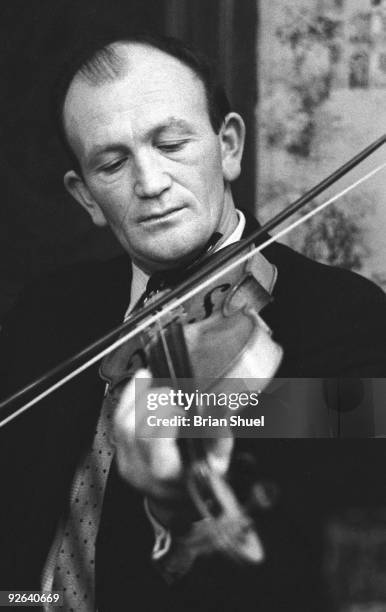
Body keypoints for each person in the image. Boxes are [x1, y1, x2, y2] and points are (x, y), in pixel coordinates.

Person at [0, 32, 386, 612]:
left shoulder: (345, 316)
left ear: (227, 145)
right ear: (85, 197)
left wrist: (179, 467)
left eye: (172, 143)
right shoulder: (48, 311)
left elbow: (347, 439)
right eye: (113, 162)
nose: (150, 184)